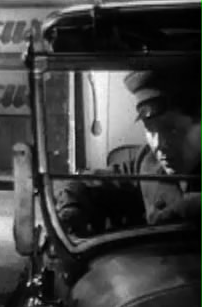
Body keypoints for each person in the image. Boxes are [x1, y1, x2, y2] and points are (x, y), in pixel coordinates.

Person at [56, 63, 201, 236]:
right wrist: (71, 207)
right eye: (150, 130)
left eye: (172, 129)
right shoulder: (147, 164)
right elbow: (84, 184)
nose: (159, 144)